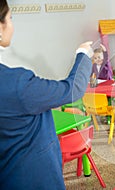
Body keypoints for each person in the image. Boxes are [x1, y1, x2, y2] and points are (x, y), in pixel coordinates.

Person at [0, 1, 93, 189]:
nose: (12, 25)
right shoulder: (17, 84)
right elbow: (71, 89)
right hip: (33, 177)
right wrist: (83, 54)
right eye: (10, 18)